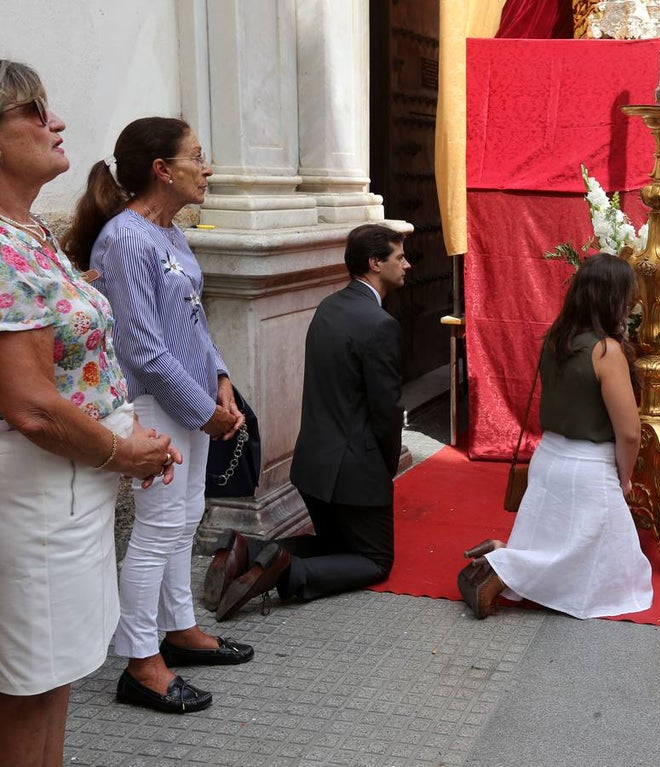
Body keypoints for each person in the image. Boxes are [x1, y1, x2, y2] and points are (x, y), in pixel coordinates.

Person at [0, 61, 179, 763]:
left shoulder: (28, 231)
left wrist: (123, 437)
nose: (57, 123)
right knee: (29, 684)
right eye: (35, 112)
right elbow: (31, 406)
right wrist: (121, 450)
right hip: (43, 487)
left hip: (69, 488)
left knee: (56, 670)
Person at [67, 116, 253, 714]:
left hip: (191, 401)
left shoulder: (169, 232)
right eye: (198, 156)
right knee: (157, 530)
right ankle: (141, 663)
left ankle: (180, 630)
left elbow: (192, 321)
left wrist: (221, 377)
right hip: (156, 402)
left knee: (184, 517)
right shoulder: (125, 238)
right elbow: (142, 348)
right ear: (162, 170)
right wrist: (204, 412)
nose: (209, 168)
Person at [211, 224, 410, 620]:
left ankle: (246, 550)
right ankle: (287, 574)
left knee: (336, 546)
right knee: (375, 561)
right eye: (399, 257)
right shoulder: (380, 324)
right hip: (354, 472)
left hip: (312, 468)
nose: (407, 264)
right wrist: (384, 470)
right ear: (375, 263)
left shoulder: (328, 307)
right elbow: (386, 414)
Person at [457, 254, 652, 620]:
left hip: (548, 459)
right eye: (628, 296)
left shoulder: (556, 339)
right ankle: (501, 567)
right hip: (587, 467)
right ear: (613, 298)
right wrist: (624, 477)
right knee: (604, 564)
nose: (632, 304)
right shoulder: (605, 350)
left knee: (563, 544)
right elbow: (628, 432)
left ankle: (500, 558)